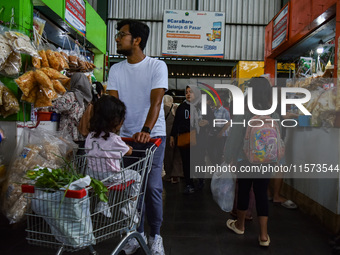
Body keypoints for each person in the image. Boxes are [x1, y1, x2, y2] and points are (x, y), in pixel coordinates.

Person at [107, 19, 168, 255]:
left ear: (137, 40)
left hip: (153, 137)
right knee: (133, 189)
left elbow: (157, 101)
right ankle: (137, 233)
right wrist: (112, 133)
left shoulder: (157, 66)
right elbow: (115, 106)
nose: (117, 39)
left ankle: (156, 236)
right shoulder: (116, 69)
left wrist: (146, 130)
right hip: (126, 139)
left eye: (122, 34)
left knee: (152, 187)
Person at [224, 77, 280, 247]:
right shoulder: (274, 113)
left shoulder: (244, 111)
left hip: (245, 159)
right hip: (267, 160)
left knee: (244, 190)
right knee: (262, 193)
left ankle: (240, 225)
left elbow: (234, 138)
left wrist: (228, 157)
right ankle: (263, 235)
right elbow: (279, 137)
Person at [85, 95, 140, 221]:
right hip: (112, 177)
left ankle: (103, 204)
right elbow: (129, 152)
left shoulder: (90, 136)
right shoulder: (114, 139)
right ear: (115, 120)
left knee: (103, 181)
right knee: (137, 177)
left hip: (93, 175)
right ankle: (130, 206)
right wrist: (128, 146)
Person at [170, 85, 206, 194]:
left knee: (199, 160)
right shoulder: (182, 107)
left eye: (191, 92)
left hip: (199, 138)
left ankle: (200, 180)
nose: (188, 94)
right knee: (186, 161)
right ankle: (189, 183)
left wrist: (207, 122)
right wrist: (172, 136)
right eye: (187, 92)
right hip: (185, 138)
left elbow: (211, 118)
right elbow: (176, 123)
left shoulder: (202, 106)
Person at [50, 72, 92, 147]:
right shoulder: (87, 97)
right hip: (83, 136)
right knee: (79, 158)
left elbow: (55, 106)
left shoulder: (71, 96)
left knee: (68, 158)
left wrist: (49, 102)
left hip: (69, 137)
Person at [162, 95, 183, 184]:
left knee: (168, 155)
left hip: (167, 133)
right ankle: (176, 176)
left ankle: (169, 175)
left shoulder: (163, 108)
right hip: (178, 133)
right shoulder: (177, 107)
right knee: (177, 154)